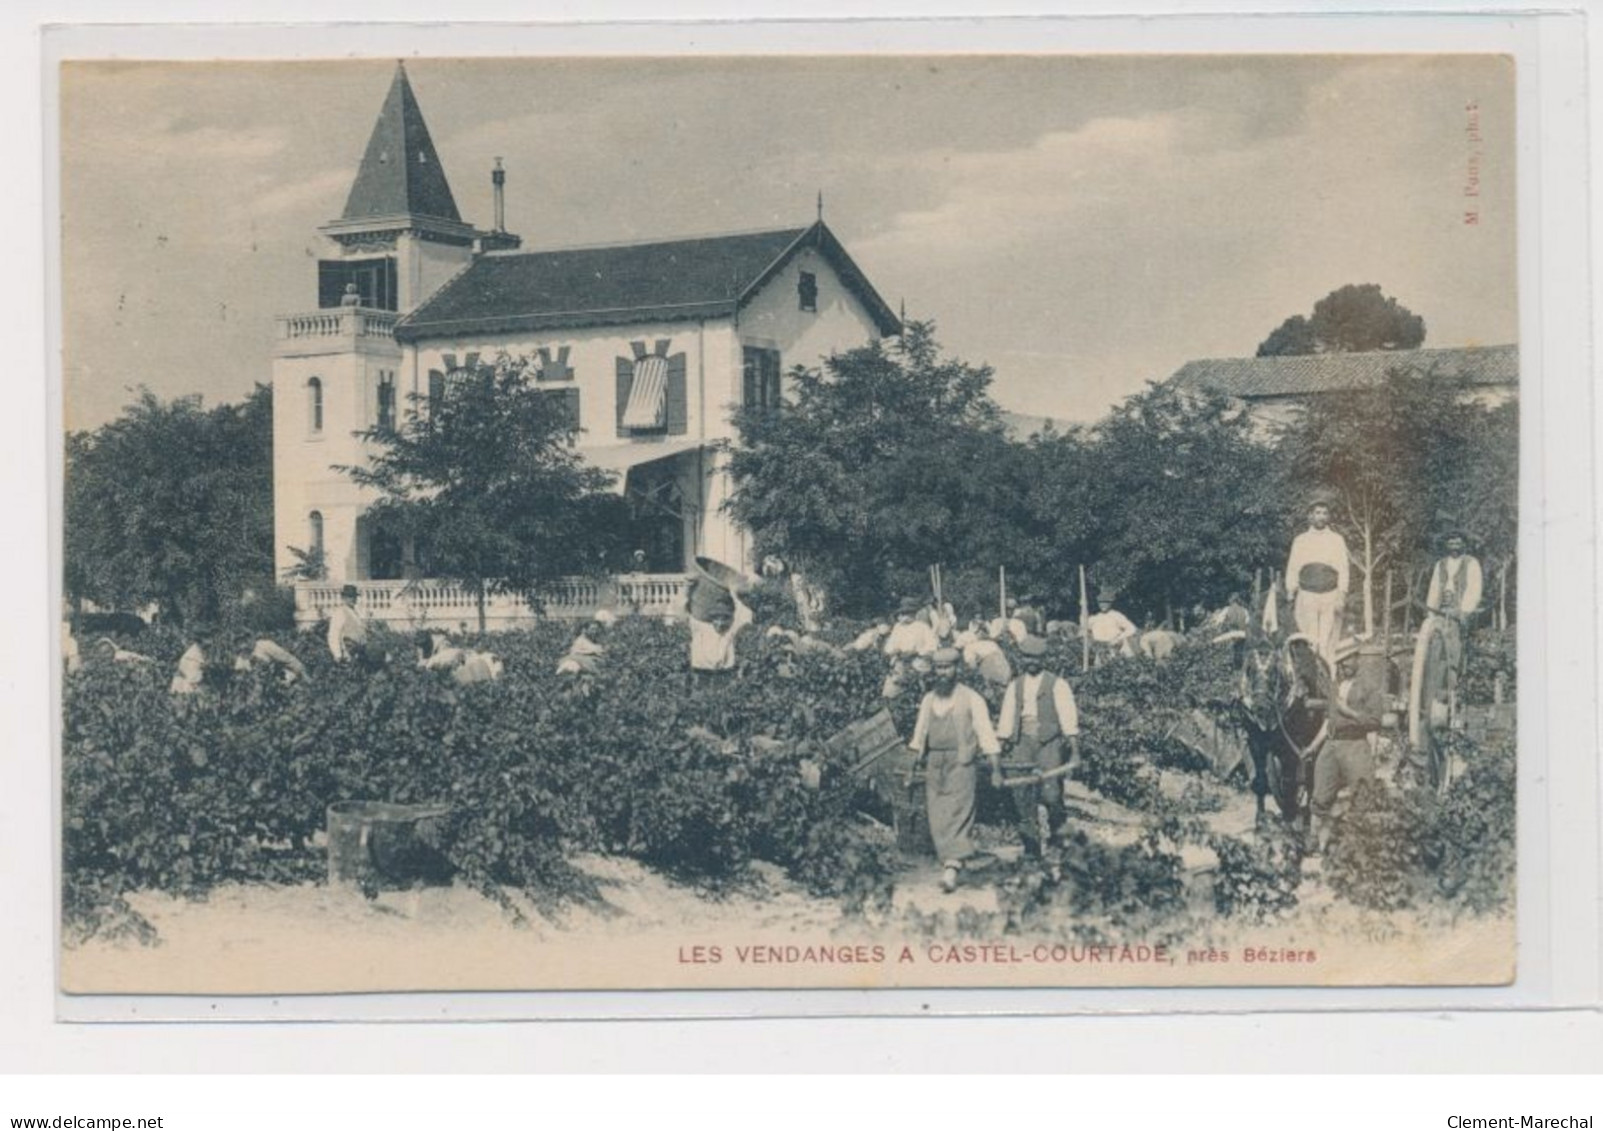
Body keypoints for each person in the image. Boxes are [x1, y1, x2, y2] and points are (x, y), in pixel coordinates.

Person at [907, 647, 1002, 893]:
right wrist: (911, 765)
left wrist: (995, 769)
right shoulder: (929, 700)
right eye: (939, 668)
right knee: (938, 816)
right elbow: (919, 736)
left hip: (962, 763)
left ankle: (951, 869)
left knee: (959, 813)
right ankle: (953, 861)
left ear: (957, 669)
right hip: (935, 763)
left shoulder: (972, 698)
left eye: (947, 668)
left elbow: (986, 734)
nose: (943, 673)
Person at [994, 636, 1081, 859]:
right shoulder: (1016, 685)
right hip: (1021, 741)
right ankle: (1031, 848)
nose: (1030, 661)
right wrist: (999, 748)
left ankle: (1058, 842)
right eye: (1026, 657)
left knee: (1051, 795)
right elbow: (1005, 720)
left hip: (1048, 743)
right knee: (1021, 796)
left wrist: (1074, 751)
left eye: (1035, 657)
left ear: (1043, 659)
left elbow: (1068, 719)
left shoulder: (1057, 685)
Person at [1311, 643, 1387, 853]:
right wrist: (1312, 747)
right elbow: (1328, 721)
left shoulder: (1369, 688)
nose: (1343, 666)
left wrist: (1350, 712)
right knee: (1320, 796)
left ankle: (1363, 847)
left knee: (1362, 796)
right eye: (1340, 662)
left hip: (1355, 745)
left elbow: (1375, 721)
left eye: (1346, 661)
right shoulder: (1335, 686)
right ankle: (1316, 843)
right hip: (1331, 745)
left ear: (1356, 659)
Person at [1285, 498, 1349, 667]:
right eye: (1317, 513)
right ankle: (1309, 679)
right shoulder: (1301, 540)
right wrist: (1291, 591)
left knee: (1327, 641)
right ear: (1310, 516)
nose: (1321, 517)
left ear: (1328, 517)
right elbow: (1293, 568)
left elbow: (1343, 568)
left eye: (1325, 513)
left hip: (1330, 595)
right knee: (1309, 638)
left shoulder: (1337, 540)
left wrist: (1341, 594)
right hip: (1307, 596)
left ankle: (1327, 679)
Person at [1425, 530, 1483, 682]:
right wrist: (1431, 612)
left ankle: (1454, 684)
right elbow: (1434, 587)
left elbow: (1474, 588)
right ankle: (1436, 686)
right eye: (1451, 542)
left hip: (1460, 612)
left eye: (1458, 542)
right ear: (1446, 544)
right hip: (1441, 610)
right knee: (1436, 646)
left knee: (1454, 648)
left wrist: (1464, 610)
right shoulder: (1441, 564)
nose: (1454, 545)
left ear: (1463, 544)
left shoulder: (1471, 563)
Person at [689, 590, 753, 676]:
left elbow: (745, 613)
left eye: (724, 619)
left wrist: (733, 594)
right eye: (717, 619)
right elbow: (687, 610)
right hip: (702, 673)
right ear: (711, 619)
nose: (720, 623)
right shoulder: (701, 628)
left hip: (724, 674)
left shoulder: (730, 631)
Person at [1085, 590, 1138, 663]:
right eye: (1101, 602)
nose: (1103, 605)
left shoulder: (1116, 615)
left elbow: (1132, 629)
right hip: (1100, 650)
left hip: (1115, 648)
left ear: (1110, 603)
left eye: (1106, 602)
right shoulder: (1094, 618)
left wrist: (1119, 638)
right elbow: (1085, 631)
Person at [960, 621, 1013, 688]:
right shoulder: (992, 644)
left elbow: (972, 667)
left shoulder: (969, 648)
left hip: (991, 676)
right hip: (1005, 672)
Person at [327, 584, 369, 663]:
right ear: (344, 598)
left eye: (354, 597)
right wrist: (337, 654)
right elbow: (334, 634)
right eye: (350, 597)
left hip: (359, 653)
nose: (353, 599)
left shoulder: (355, 612)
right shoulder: (340, 612)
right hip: (347, 654)